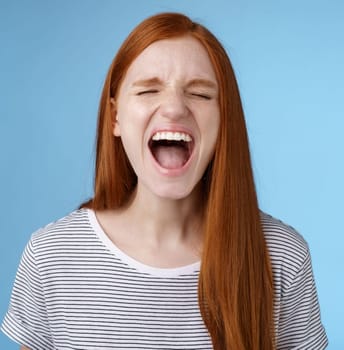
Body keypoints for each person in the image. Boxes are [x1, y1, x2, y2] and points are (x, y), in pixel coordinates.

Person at [2, 12, 327, 350]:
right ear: (115, 117)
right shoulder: (51, 256)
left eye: (200, 94)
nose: (174, 108)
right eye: (148, 90)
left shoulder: (282, 256)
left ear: (224, 119)